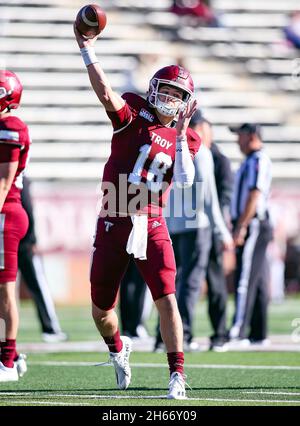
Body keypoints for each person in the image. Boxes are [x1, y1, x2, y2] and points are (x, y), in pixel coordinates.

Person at [74, 23, 201, 399]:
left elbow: (186, 179)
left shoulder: (186, 136)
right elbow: (105, 92)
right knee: (101, 311)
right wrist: (87, 49)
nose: (170, 99)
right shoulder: (134, 112)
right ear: (153, 90)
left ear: (186, 101)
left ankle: (176, 375)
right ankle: (118, 347)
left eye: (179, 94)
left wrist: (179, 136)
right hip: (115, 213)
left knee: (167, 297)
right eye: (167, 91)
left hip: (151, 219)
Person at [154, 110, 233, 353]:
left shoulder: (170, 148)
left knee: (173, 284)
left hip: (175, 225)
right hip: (197, 225)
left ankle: (163, 337)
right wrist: (223, 232)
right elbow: (208, 197)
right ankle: (183, 334)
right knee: (190, 284)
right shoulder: (201, 152)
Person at [229, 123, 273, 345]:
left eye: (241, 136)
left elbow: (255, 194)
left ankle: (238, 329)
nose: (238, 140)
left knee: (244, 278)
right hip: (252, 223)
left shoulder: (258, 160)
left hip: (254, 223)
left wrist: (242, 226)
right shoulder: (250, 160)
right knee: (258, 279)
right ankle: (258, 332)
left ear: (253, 136)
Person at [0, 70, 30, 382]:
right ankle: (12, 354)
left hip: (5, 214)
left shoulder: (10, 127)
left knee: (6, 290)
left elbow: (3, 182)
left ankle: (7, 363)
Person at [18, 176, 67, 343]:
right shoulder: (20, 178)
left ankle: (49, 328)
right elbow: (28, 208)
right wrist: (31, 238)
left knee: (7, 290)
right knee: (37, 286)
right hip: (21, 242)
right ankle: (50, 329)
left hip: (13, 240)